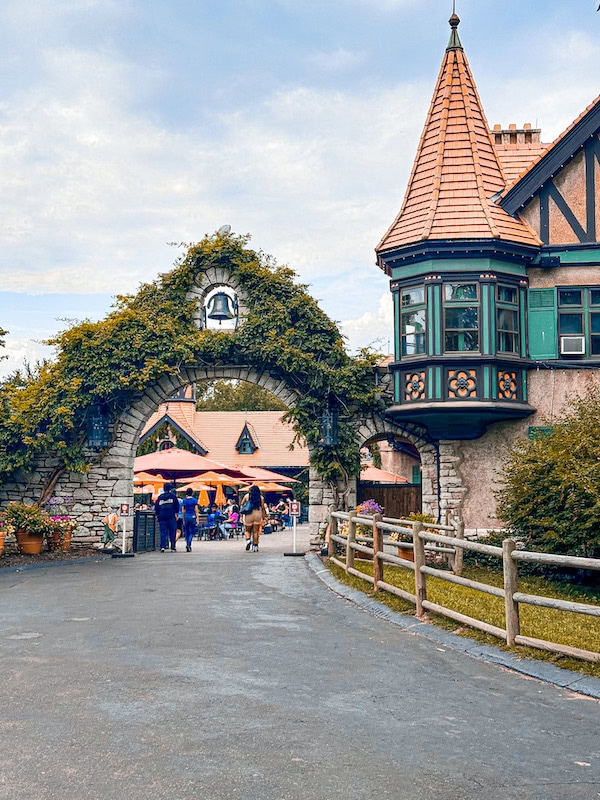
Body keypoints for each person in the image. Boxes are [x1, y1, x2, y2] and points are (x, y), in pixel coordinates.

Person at [241, 484, 267, 552]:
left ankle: (248, 540)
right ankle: (255, 547)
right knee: (256, 532)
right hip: (257, 514)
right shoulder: (261, 497)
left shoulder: (247, 496)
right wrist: (264, 517)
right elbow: (263, 508)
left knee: (247, 530)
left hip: (249, 514)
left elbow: (242, 503)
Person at [154, 483, 179, 552]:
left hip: (162, 516)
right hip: (171, 516)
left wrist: (157, 515)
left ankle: (162, 546)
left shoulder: (160, 497)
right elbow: (177, 506)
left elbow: (156, 508)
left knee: (163, 532)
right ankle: (173, 547)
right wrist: (176, 514)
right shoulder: (173, 496)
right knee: (172, 532)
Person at [181, 488, 199, 552]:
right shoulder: (194, 500)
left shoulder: (184, 500)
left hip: (186, 516)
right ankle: (189, 544)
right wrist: (197, 518)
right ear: (192, 493)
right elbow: (196, 510)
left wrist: (183, 518)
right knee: (192, 532)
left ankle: (187, 543)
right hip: (192, 516)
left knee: (186, 531)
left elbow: (183, 510)